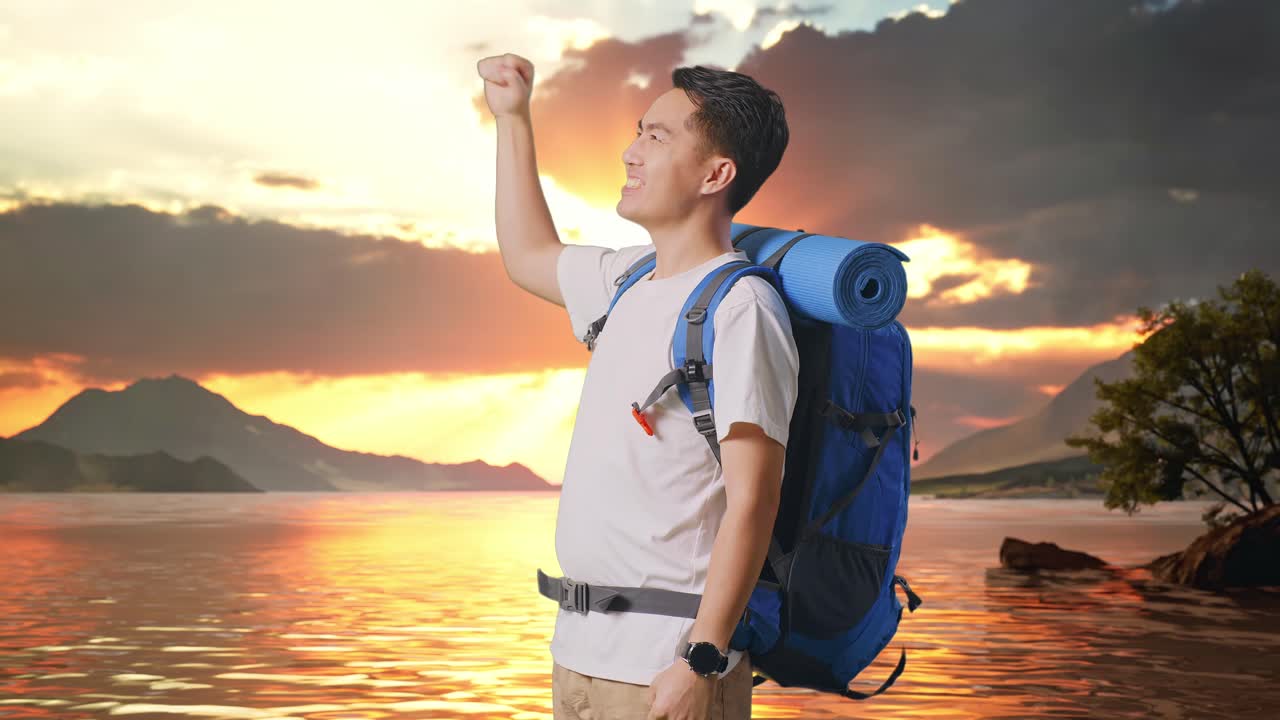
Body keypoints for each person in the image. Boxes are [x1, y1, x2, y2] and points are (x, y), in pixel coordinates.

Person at [479, 51, 798, 720]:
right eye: (637, 130)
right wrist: (512, 117)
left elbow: (753, 503)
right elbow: (526, 255)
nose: (632, 152)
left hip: (663, 669)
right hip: (579, 656)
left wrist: (700, 662)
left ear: (718, 173)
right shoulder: (625, 281)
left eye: (658, 136)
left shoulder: (741, 310)